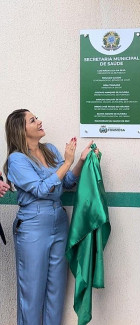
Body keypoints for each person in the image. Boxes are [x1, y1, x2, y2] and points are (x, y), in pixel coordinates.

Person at [3, 109, 95, 325]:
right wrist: (66, 163)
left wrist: (79, 161)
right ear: (21, 129)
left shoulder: (50, 150)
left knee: (56, 292)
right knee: (32, 293)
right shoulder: (17, 160)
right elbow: (41, 190)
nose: (40, 121)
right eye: (33, 120)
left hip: (59, 223)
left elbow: (66, 183)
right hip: (33, 227)